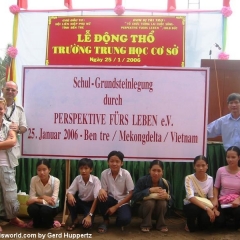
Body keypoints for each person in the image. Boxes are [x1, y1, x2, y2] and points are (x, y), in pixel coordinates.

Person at [0, 81, 27, 220]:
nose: (10, 92)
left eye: (13, 90)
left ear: (16, 93)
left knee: (9, 189)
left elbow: (24, 128)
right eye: (8, 89)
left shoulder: (19, 110)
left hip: (9, 157)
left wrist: (18, 129)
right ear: (3, 89)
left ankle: (10, 217)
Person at [132, 160, 173, 233]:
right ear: (149, 170)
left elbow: (172, 200)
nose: (156, 173)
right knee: (150, 202)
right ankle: (146, 224)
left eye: (159, 171)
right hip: (143, 211)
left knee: (162, 202)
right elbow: (134, 196)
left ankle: (161, 224)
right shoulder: (142, 181)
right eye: (153, 170)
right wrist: (149, 190)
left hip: (160, 211)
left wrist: (167, 196)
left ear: (162, 172)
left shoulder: (166, 183)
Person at [97, 150, 134, 233]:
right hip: (110, 199)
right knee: (101, 197)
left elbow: (131, 194)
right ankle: (106, 220)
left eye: (117, 161)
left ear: (122, 163)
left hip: (123, 201)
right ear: (108, 162)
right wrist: (101, 190)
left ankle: (119, 220)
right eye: (112, 161)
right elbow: (104, 190)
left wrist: (115, 207)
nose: (114, 164)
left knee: (125, 220)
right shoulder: (104, 173)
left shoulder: (126, 174)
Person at [184, 155, 220, 232]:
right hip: (192, 205)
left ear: (207, 166)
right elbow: (191, 197)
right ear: (194, 166)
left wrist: (214, 209)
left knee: (204, 226)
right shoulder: (189, 178)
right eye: (198, 165)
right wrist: (207, 209)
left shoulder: (210, 179)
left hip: (204, 205)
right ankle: (189, 222)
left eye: (203, 165)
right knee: (193, 211)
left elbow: (210, 197)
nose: (201, 168)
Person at [66, 158, 101, 231]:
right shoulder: (77, 178)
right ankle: (75, 220)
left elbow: (96, 199)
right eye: (81, 168)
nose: (83, 171)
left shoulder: (95, 180)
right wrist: (69, 195)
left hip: (91, 204)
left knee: (86, 227)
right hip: (80, 203)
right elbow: (70, 191)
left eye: (86, 168)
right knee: (69, 200)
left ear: (91, 170)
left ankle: (88, 218)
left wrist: (89, 215)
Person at [26, 159, 61, 229]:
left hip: (50, 208)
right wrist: (43, 197)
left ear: (49, 170)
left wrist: (38, 198)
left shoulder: (56, 181)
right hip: (38, 206)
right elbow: (31, 198)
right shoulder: (34, 179)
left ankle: (51, 223)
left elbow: (53, 201)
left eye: (44, 170)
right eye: (39, 170)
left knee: (45, 211)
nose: (41, 173)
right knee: (32, 209)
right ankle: (36, 222)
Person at [213, 146, 240, 230]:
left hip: (236, 203)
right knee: (218, 223)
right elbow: (216, 187)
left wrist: (239, 199)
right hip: (223, 202)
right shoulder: (221, 170)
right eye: (228, 157)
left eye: (233, 157)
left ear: (239, 157)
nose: (230, 159)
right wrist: (215, 199)